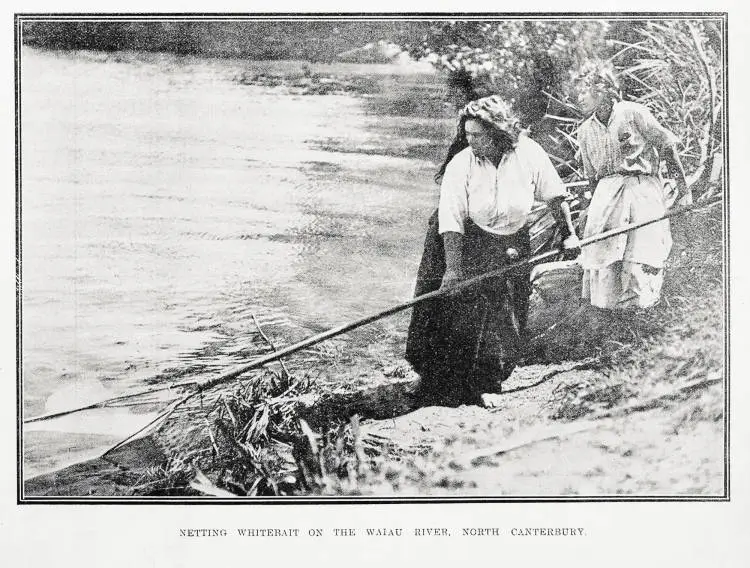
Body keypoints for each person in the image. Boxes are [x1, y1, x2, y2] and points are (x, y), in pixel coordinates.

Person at [406, 95, 580, 406]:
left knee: (504, 314)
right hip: (460, 237)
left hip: (509, 241)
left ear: (498, 132)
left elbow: (555, 195)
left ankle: (487, 384)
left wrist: (569, 235)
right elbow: (452, 218)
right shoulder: (462, 163)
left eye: (477, 135)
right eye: (467, 134)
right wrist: (453, 268)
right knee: (443, 306)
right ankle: (431, 377)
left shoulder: (528, 153)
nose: (470, 141)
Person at [575, 62, 688, 311]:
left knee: (639, 254)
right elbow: (591, 177)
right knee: (605, 257)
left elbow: (666, 144)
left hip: (640, 190)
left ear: (602, 90)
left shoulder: (632, 113)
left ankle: (643, 314)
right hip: (606, 196)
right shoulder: (584, 131)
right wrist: (590, 210)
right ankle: (611, 316)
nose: (578, 98)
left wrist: (683, 188)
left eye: (584, 91)